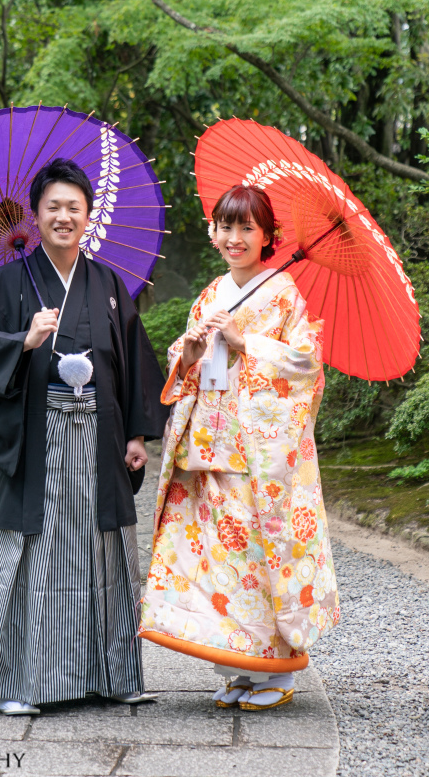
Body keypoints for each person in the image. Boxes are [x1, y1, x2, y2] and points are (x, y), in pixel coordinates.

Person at [0, 157, 168, 715]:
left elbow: (133, 363)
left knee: (106, 554)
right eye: (53, 207)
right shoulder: (5, 284)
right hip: (39, 437)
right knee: (34, 557)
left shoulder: (106, 285)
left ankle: (115, 674)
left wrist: (138, 434)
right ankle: (19, 683)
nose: (64, 216)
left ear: (88, 215)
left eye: (74, 207)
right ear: (36, 213)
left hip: (100, 438)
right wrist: (22, 341)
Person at [139, 184, 339, 710]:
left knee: (256, 551)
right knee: (217, 558)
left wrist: (247, 341)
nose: (234, 237)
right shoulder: (211, 294)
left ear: (267, 235)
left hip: (258, 450)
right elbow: (184, 367)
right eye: (226, 226)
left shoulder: (284, 292)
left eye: (247, 227)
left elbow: (305, 365)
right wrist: (193, 351)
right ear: (213, 232)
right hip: (209, 442)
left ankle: (276, 672)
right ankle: (236, 665)